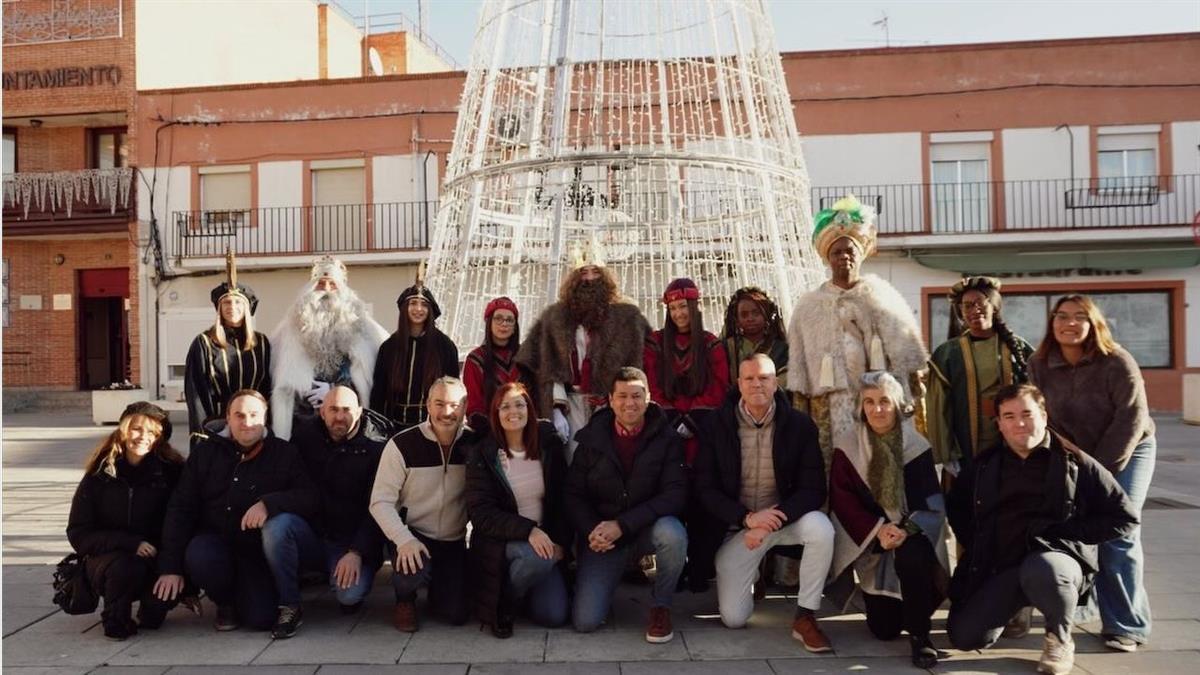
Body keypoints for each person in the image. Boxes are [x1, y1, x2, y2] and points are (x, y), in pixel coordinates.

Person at [946, 384, 1137, 675]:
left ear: (1044, 416)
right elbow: (957, 510)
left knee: (1043, 569)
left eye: (1027, 413)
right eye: (1009, 416)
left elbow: (1124, 517)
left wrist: (1067, 533)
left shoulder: (1075, 461)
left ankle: (1059, 638)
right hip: (1005, 565)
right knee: (965, 638)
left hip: (1054, 560)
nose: (1019, 423)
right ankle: (1020, 602)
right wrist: (980, 546)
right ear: (999, 424)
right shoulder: (984, 466)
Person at [1028, 294, 1157, 653]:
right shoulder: (1039, 364)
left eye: (1079, 317)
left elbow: (1130, 419)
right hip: (1077, 453)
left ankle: (1127, 625)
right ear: (1053, 323)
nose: (1069, 323)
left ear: (1093, 323)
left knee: (1119, 531)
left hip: (1129, 449)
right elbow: (1043, 419)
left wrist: (1100, 474)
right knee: (1078, 527)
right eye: (1062, 316)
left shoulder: (1117, 361)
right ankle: (1091, 603)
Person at [695, 354, 835, 652]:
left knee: (821, 528)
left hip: (783, 521)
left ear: (775, 383)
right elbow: (704, 489)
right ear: (739, 384)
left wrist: (773, 519)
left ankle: (806, 615)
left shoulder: (799, 425)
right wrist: (747, 519)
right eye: (749, 378)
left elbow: (813, 489)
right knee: (734, 619)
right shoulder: (716, 425)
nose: (756, 384)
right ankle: (754, 572)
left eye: (764, 378)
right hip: (738, 529)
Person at [153, 390, 319, 636]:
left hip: (255, 552)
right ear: (228, 419)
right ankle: (225, 603)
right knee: (200, 555)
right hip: (214, 542)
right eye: (239, 415)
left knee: (261, 619)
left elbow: (309, 497)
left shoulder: (284, 452)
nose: (247, 422)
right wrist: (170, 567)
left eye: (254, 415)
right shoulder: (205, 453)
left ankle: (250, 594)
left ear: (265, 416)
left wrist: (269, 504)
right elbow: (181, 508)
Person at [787, 195, 927, 465]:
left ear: (860, 255)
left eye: (850, 250)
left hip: (879, 405)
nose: (844, 257)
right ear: (828, 257)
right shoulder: (808, 307)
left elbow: (908, 370)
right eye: (837, 252)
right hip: (831, 406)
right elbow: (800, 378)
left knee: (881, 466)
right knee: (838, 466)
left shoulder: (885, 298)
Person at [828, 372, 949, 668]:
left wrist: (903, 530)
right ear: (861, 406)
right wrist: (879, 530)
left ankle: (921, 638)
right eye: (869, 401)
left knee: (911, 556)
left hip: (912, 535)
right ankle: (905, 607)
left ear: (897, 404)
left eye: (884, 401)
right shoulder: (848, 447)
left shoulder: (915, 445)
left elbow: (931, 502)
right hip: (874, 541)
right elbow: (843, 501)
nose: (876, 409)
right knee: (883, 630)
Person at [564, 367, 688, 643]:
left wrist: (623, 524)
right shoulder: (592, 438)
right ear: (610, 399)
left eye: (636, 395)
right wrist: (591, 532)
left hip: (645, 530)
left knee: (673, 533)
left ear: (649, 398)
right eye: (622, 396)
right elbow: (573, 494)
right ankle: (609, 577)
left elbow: (675, 494)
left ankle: (661, 605)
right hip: (603, 536)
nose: (629, 403)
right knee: (585, 621)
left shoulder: (667, 438)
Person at [262, 385, 395, 630]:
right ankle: (289, 604)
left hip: (352, 540)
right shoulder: (304, 438)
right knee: (276, 527)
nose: (339, 416)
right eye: (333, 409)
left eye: (346, 410)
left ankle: (342, 573)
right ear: (322, 412)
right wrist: (267, 503)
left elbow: (379, 507)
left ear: (359, 411)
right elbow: (289, 482)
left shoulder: (377, 446)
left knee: (349, 595)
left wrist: (357, 551)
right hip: (314, 533)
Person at [517, 246, 651, 461]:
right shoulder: (556, 316)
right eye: (583, 272)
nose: (589, 278)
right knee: (573, 461)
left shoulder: (627, 316)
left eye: (595, 271)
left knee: (608, 463)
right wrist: (556, 408)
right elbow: (545, 362)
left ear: (605, 275)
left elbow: (639, 362)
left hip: (611, 404)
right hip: (571, 405)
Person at [66, 402, 184, 640]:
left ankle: (151, 607)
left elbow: (182, 521)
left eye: (152, 432)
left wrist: (175, 568)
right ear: (124, 429)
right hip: (110, 559)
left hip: (156, 557)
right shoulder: (99, 475)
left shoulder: (172, 472)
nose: (143, 437)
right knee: (126, 566)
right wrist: (130, 543)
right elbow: (78, 533)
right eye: (137, 429)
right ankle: (115, 617)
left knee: (154, 618)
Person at [369, 377, 477, 632]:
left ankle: (439, 590)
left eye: (455, 404)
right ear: (428, 405)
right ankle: (405, 600)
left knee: (457, 615)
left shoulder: (474, 444)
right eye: (439, 403)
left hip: (453, 540)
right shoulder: (402, 444)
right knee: (410, 568)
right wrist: (403, 539)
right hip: (415, 536)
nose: (447, 412)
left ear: (465, 406)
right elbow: (380, 502)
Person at [465, 382, 570, 638]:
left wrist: (562, 543)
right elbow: (480, 514)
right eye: (505, 406)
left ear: (530, 409)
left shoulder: (547, 445)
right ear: (496, 413)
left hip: (544, 540)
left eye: (520, 404)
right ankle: (503, 602)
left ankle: (525, 587)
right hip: (501, 542)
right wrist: (529, 531)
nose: (514, 411)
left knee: (553, 616)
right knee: (537, 558)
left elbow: (564, 501)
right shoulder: (483, 453)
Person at [643, 278, 729, 591]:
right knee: (670, 499)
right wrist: (671, 421)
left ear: (695, 307)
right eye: (674, 308)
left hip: (702, 434)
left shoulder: (711, 343)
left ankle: (700, 567)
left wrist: (691, 420)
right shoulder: (654, 342)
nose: (679, 313)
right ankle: (672, 568)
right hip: (665, 434)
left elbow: (719, 386)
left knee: (701, 501)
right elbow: (651, 384)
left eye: (684, 307)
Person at [271, 256, 389, 440]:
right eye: (320, 284)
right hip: (305, 426)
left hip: (347, 423)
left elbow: (373, 378)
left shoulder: (364, 329)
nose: (326, 291)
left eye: (332, 285)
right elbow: (282, 386)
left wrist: (334, 391)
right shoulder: (290, 329)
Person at [927, 276, 1033, 479]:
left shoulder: (1019, 348)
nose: (974, 310)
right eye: (967, 306)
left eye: (979, 303)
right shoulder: (947, 353)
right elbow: (938, 408)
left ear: (994, 306)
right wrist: (947, 453)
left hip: (1014, 442)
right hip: (967, 447)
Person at [184, 251, 271, 439]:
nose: (232, 307)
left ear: (247, 309)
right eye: (227, 303)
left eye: (238, 302)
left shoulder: (262, 344)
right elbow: (196, 393)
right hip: (217, 427)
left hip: (251, 425)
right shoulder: (204, 343)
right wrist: (202, 434)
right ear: (219, 309)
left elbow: (268, 387)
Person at [371, 278, 460, 428]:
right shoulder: (389, 347)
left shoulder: (445, 346)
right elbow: (379, 392)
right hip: (394, 426)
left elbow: (453, 389)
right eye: (413, 303)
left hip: (433, 426)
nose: (418, 309)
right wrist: (378, 425)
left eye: (424, 305)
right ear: (404, 308)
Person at [462, 296, 535, 425]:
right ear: (489, 323)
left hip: (523, 426)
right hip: (488, 429)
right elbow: (474, 404)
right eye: (498, 318)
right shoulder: (475, 359)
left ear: (515, 327)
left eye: (509, 320)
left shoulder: (527, 357)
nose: (504, 323)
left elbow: (535, 398)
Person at [720, 286, 789, 389]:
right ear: (737, 320)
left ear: (766, 315)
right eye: (744, 315)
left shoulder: (780, 348)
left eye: (756, 313)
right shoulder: (728, 348)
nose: (750, 319)